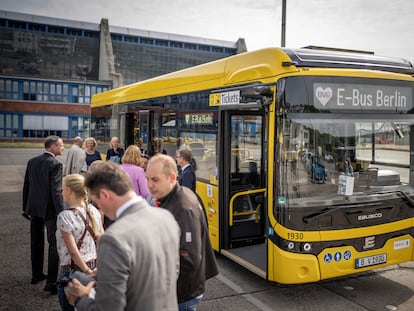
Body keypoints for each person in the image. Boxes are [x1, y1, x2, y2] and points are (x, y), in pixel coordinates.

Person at [65, 161, 180, 311]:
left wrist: (79, 298)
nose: (100, 209)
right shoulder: (166, 217)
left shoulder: (112, 239)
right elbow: (169, 271)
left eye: (98, 202)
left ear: (105, 195)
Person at [146, 154, 218, 311]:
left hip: (181, 294)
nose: (149, 185)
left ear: (172, 177)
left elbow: (188, 260)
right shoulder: (177, 195)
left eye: (155, 180)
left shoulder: (183, 209)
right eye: (148, 179)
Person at [23, 135, 65, 294]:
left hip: (33, 208)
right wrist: (61, 213)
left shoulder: (32, 161)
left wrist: (24, 208)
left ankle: (36, 275)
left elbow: (27, 186)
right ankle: (51, 282)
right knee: (54, 243)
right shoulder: (55, 164)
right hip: (49, 209)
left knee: (36, 241)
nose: (63, 148)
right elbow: (56, 191)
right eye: (61, 146)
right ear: (52, 147)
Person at [56, 174, 104, 311]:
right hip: (94, 266)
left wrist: (86, 271)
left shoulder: (64, 216)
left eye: (63, 188)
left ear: (69, 190)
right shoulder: (94, 211)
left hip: (72, 270)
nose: (61, 191)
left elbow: (73, 252)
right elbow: (103, 241)